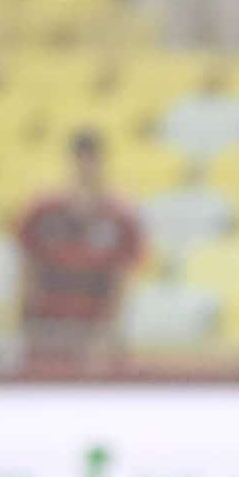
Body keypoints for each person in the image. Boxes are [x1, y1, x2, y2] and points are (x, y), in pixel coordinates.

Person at [15, 131, 145, 376]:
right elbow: (27, 267)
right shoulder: (42, 210)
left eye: (91, 159)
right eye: (80, 159)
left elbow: (122, 277)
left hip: (93, 325)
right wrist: (26, 321)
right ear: (71, 161)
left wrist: (110, 329)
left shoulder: (120, 215)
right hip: (47, 321)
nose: (85, 166)